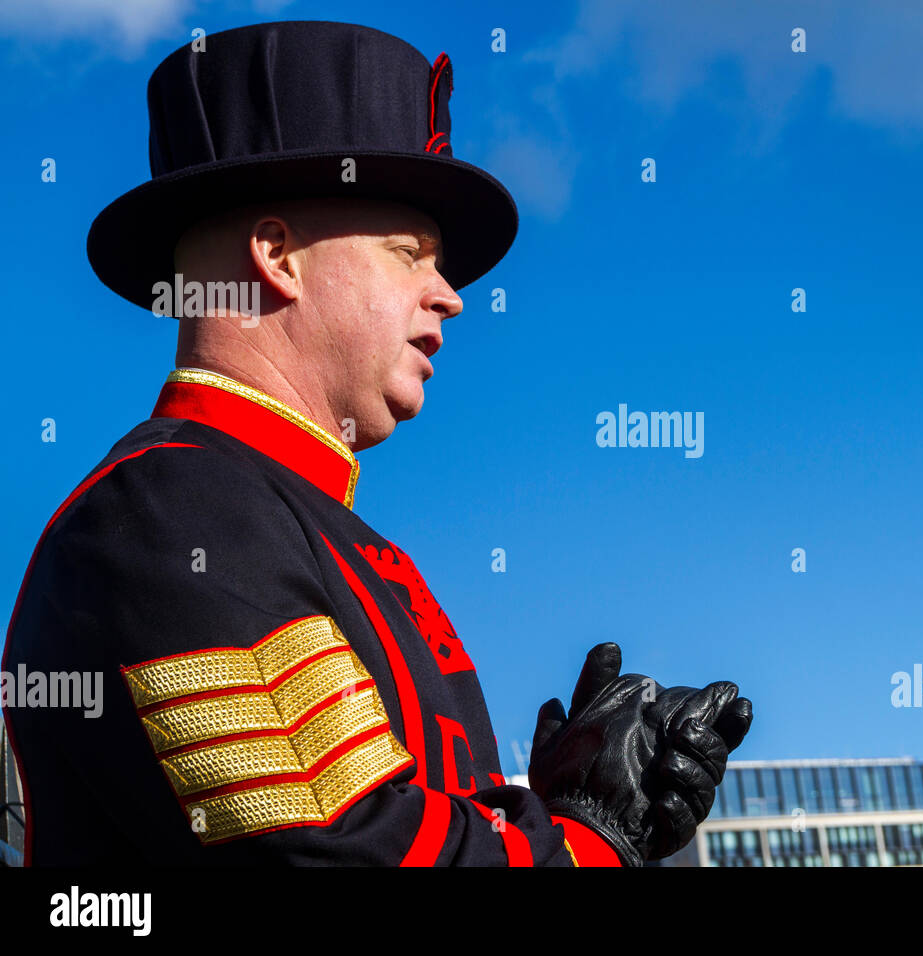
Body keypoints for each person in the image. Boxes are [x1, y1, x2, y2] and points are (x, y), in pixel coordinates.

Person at [1, 20, 750, 866]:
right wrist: (584, 842)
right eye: (409, 254)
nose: (450, 295)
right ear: (277, 256)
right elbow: (340, 845)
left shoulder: (289, 517)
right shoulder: (169, 505)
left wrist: (545, 810)